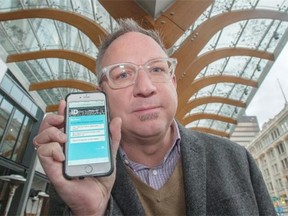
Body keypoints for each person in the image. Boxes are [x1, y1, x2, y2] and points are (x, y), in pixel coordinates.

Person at [33, 18, 276, 215]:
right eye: (123, 75)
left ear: (172, 82)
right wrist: (90, 213)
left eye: (157, 69)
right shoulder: (76, 177)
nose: (145, 87)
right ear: (102, 96)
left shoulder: (236, 159)